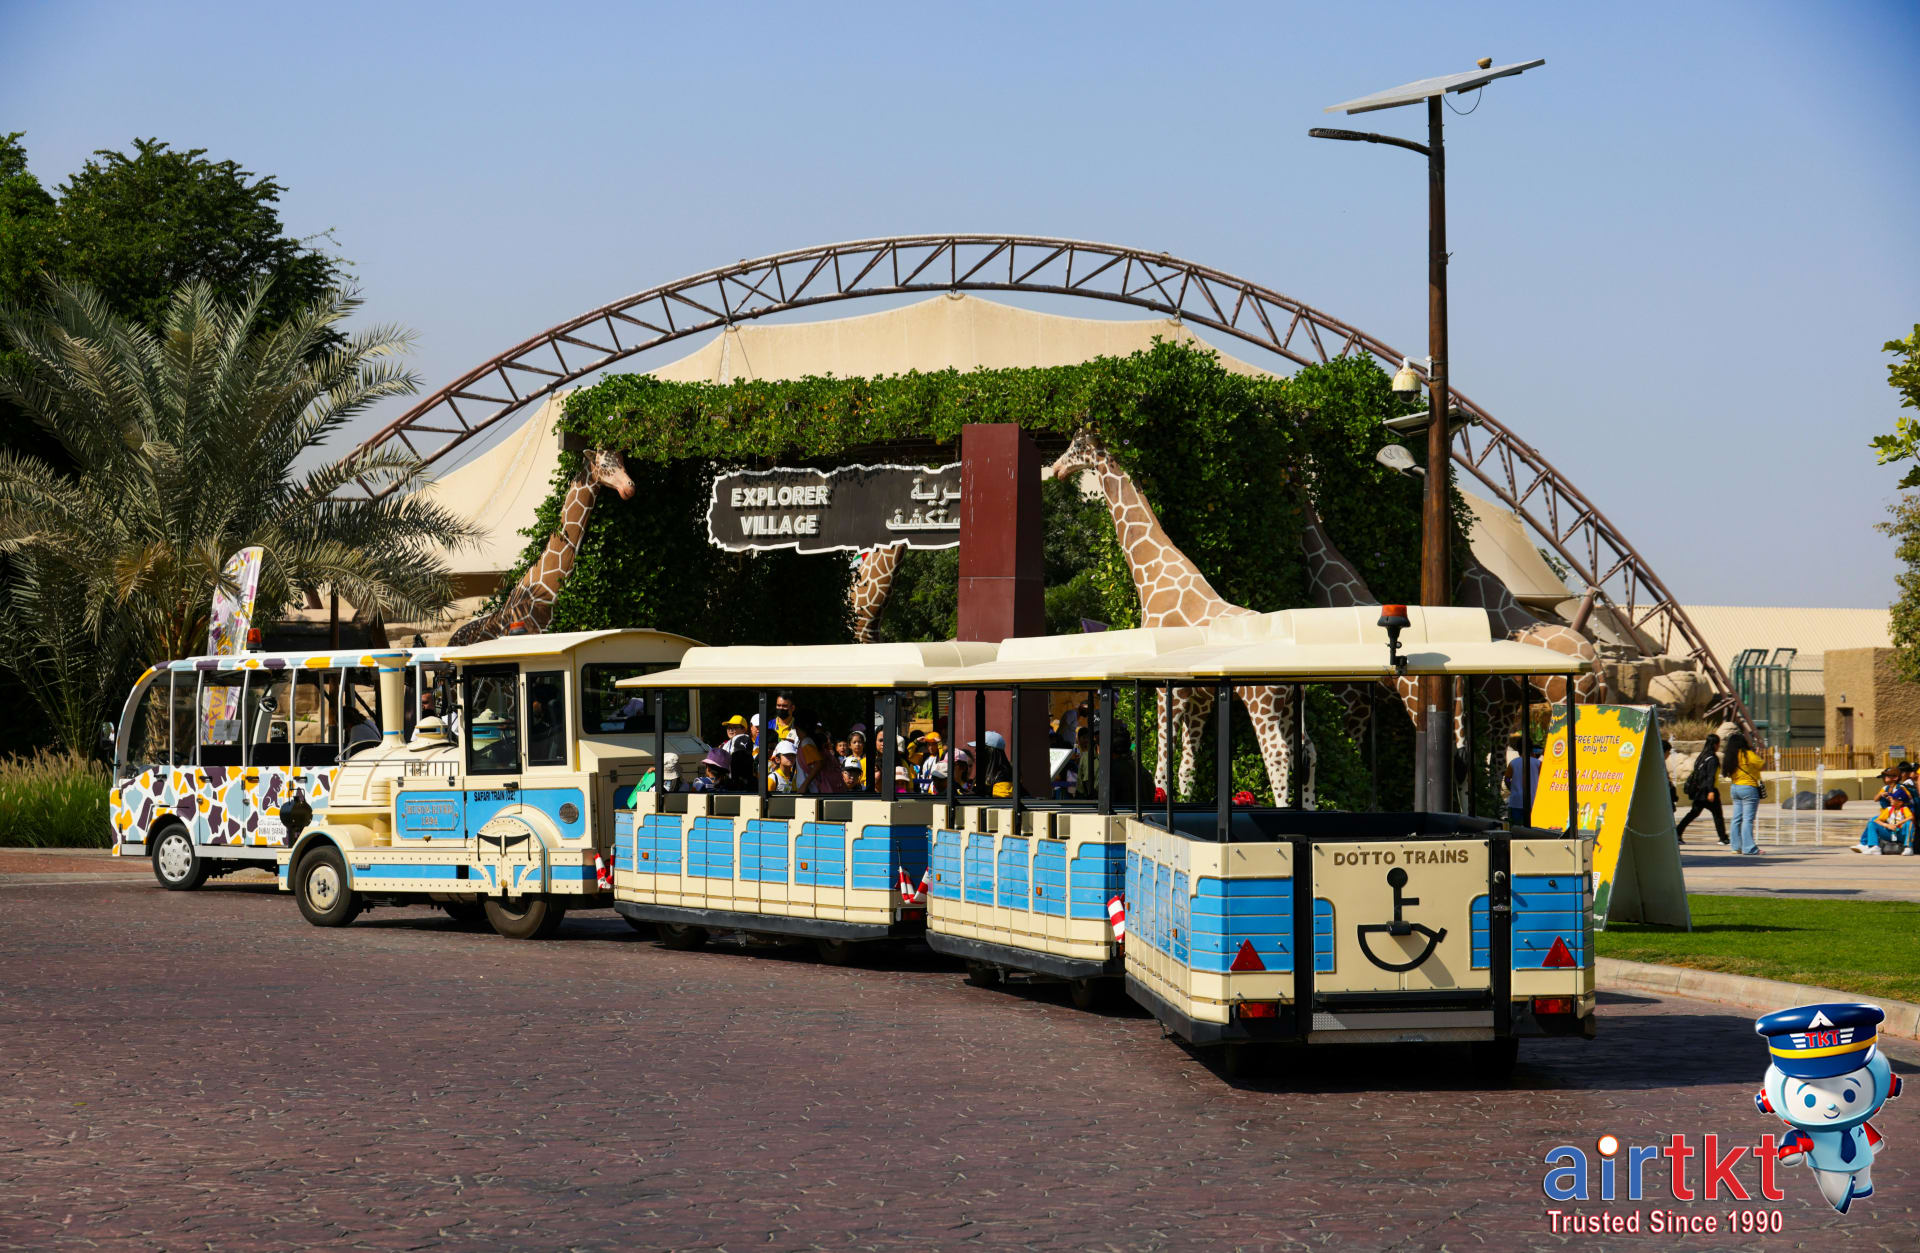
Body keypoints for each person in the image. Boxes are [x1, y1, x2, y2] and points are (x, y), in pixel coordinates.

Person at [1676, 734, 1727, 844]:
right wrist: (1711, 792)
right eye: (1718, 744)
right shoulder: (1712, 759)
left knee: (1693, 813)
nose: (1719, 746)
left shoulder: (1702, 757)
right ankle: (1723, 838)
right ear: (1714, 744)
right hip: (1709, 791)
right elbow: (1710, 776)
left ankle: (1677, 832)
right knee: (1718, 815)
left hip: (1700, 791)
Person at [1856, 766, 1916, 855]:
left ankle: (1908, 847)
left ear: (1895, 778)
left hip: (1900, 818)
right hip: (1889, 816)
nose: (1884, 778)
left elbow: (1910, 800)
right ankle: (1872, 845)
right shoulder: (1885, 788)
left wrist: (1900, 801)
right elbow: (1875, 799)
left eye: (1887, 776)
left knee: (1909, 823)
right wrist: (1887, 825)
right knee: (1873, 821)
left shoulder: (1901, 788)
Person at [1723, 731, 1766, 855]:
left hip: (1735, 788)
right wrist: (1757, 755)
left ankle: (1736, 847)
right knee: (1748, 819)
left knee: (1736, 818)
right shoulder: (1748, 754)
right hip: (1748, 788)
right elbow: (1762, 765)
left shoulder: (1730, 756)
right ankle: (1749, 848)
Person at [1504, 734, 1543, 829]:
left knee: (1516, 830)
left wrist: (1512, 788)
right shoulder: (1538, 764)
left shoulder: (1513, 763)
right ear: (1531, 749)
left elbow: (1507, 779)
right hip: (1533, 802)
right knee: (1532, 830)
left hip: (1515, 802)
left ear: (1518, 750)